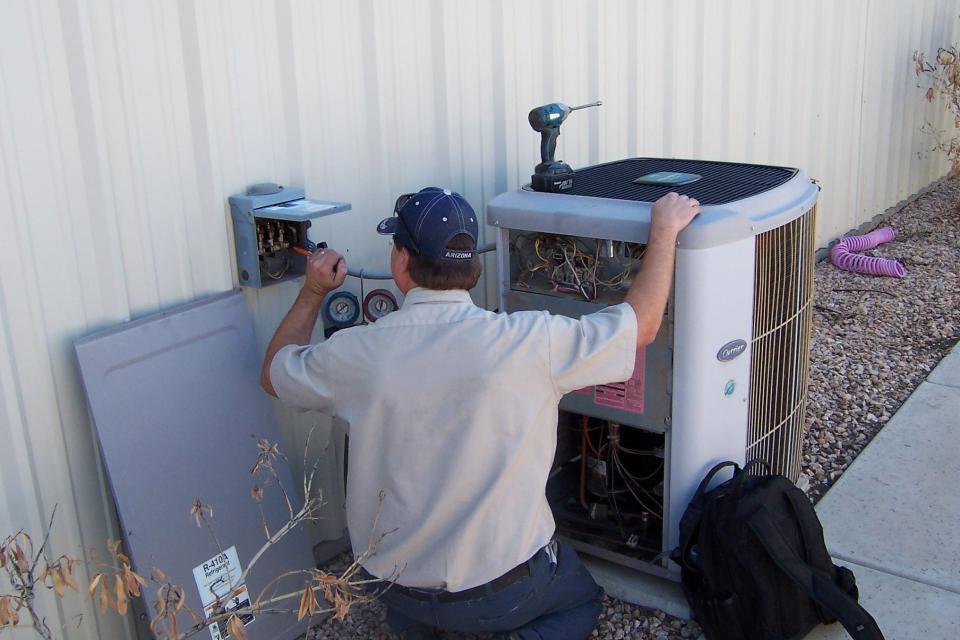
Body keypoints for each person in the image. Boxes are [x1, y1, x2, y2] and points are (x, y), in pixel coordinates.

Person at [261, 186, 701, 639]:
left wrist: (313, 291)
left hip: (395, 588)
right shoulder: (532, 342)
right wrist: (664, 233)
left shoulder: (354, 353)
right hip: (502, 592)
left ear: (400, 260)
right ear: (473, 266)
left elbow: (274, 374)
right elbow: (642, 325)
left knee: (425, 618)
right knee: (581, 600)